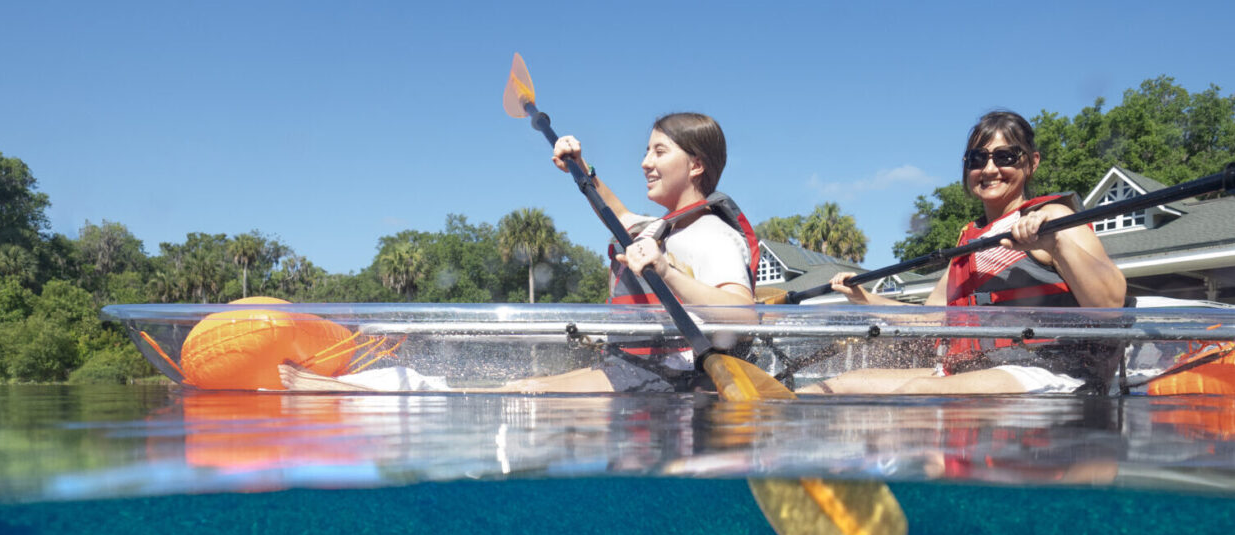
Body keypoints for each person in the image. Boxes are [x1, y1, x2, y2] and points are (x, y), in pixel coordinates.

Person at [280, 112, 757, 393]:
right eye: (646, 151)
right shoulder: (657, 228)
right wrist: (580, 166)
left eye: (659, 151)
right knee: (518, 392)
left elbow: (743, 317)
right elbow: (614, 210)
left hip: (665, 386)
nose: (645, 162)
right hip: (636, 377)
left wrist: (667, 271)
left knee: (519, 396)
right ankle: (367, 388)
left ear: (696, 165)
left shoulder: (711, 235)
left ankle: (358, 393)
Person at [799, 110, 1125, 395]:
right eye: (978, 159)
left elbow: (1111, 304)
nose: (990, 169)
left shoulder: (1053, 217)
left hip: (1050, 372)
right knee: (841, 385)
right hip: (972, 371)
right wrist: (865, 299)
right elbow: (932, 320)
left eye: (1005, 157)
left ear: (1031, 162)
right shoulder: (968, 242)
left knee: (920, 391)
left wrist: (1056, 243)